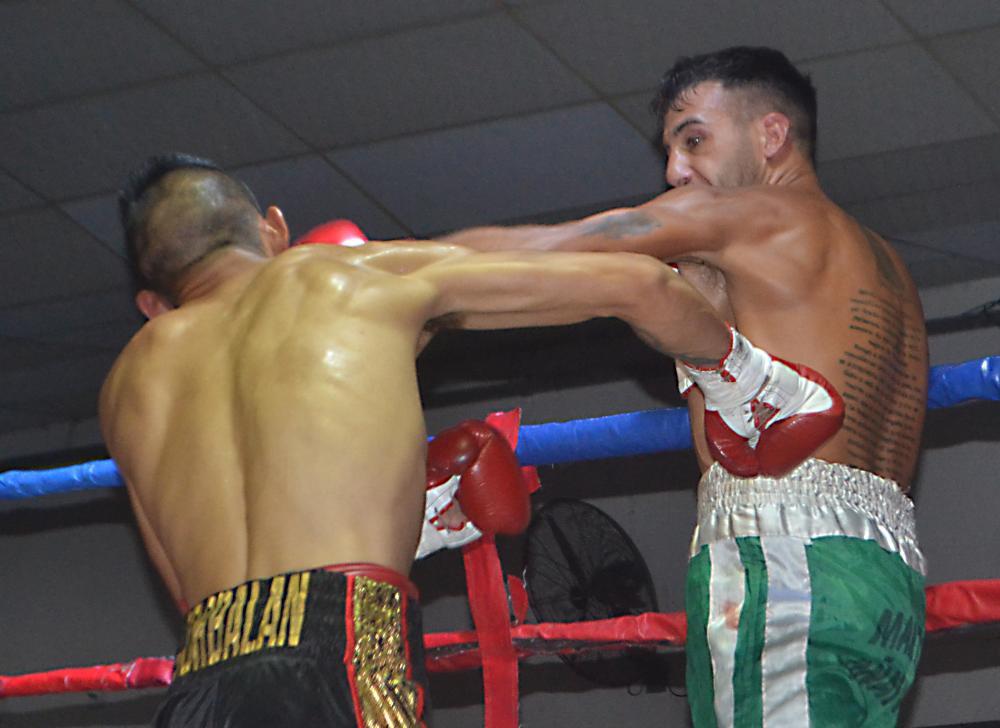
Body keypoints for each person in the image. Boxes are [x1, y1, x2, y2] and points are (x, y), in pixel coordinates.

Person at [101, 153, 831, 727]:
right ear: (273, 229)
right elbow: (643, 287)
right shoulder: (343, 275)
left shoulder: (127, 382)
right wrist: (745, 377)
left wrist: (399, 519)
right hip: (343, 649)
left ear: (150, 302)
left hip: (203, 679)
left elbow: (198, 586)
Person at [440, 46, 928, 727]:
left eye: (694, 140)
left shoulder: (754, 214)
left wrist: (370, 273)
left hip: (783, 555)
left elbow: (571, 244)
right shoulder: (885, 266)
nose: (675, 170)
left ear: (771, 134)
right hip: (886, 578)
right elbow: (622, 292)